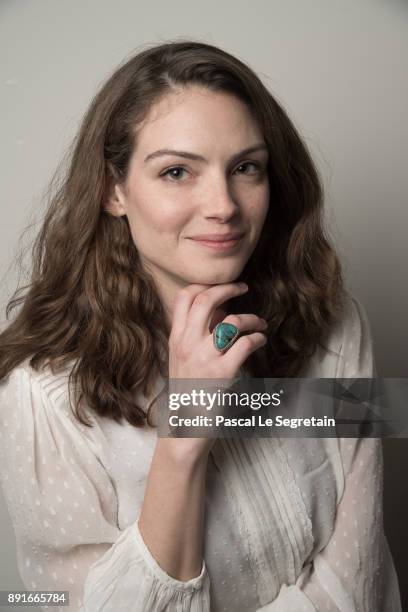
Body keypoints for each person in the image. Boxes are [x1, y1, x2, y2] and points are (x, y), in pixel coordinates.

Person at [0, 40, 401, 612]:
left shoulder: (336, 324)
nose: (223, 205)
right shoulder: (38, 399)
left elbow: (360, 578)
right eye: (176, 171)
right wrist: (185, 435)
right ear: (114, 190)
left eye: (245, 167)